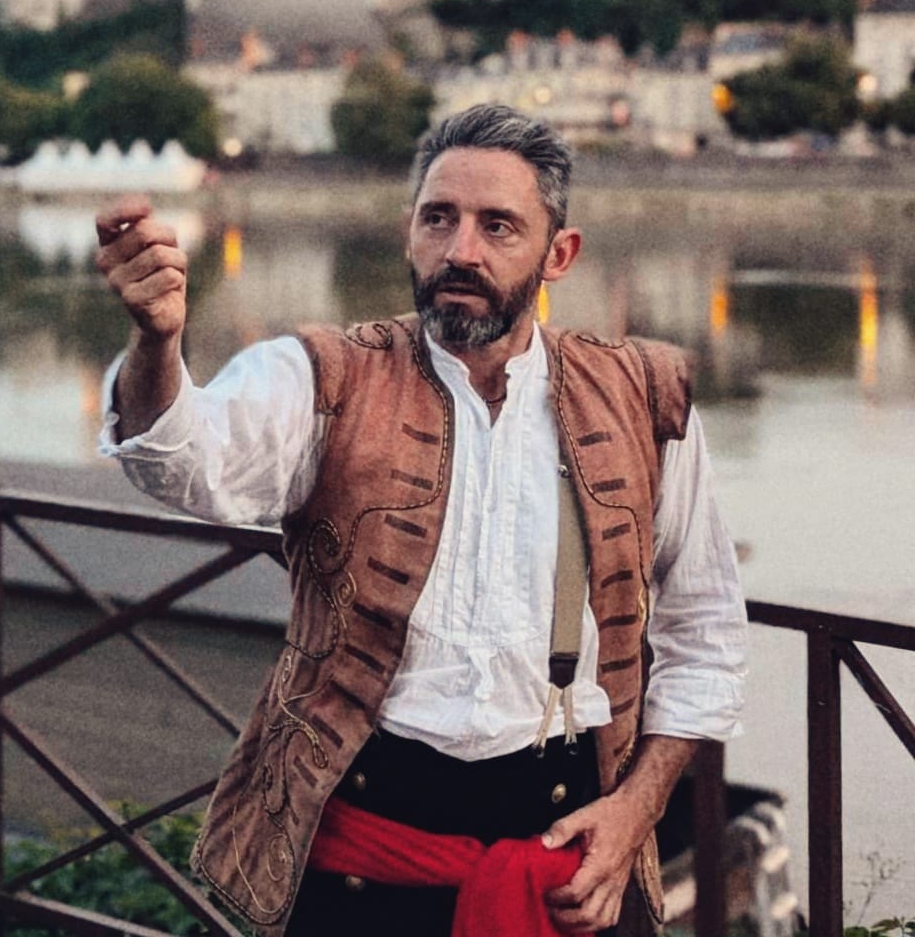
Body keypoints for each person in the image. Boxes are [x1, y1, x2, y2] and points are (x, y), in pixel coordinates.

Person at [94, 104, 747, 937]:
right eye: (439, 218)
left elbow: (707, 632)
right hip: (363, 870)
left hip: (574, 872)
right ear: (410, 233)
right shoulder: (323, 374)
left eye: (497, 225)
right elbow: (184, 462)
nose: (460, 250)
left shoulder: (643, 395)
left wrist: (635, 812)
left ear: (560, 254)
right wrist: (158, 345)